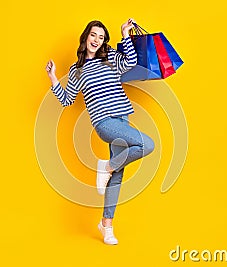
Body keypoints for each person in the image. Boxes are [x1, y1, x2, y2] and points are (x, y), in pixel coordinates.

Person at [45, 19, 154, 245]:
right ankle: (107, 166)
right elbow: (67, 100)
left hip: (122, 117)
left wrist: (125, 33)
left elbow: (131, 62)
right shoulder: (77, 70)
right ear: (86, 37)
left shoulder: (111, 57)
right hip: (104, 122)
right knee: (146, 144)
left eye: (101, 37)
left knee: (117, 174)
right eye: (94, 35)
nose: (97, 40)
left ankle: (107, 226)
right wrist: (54, 78)